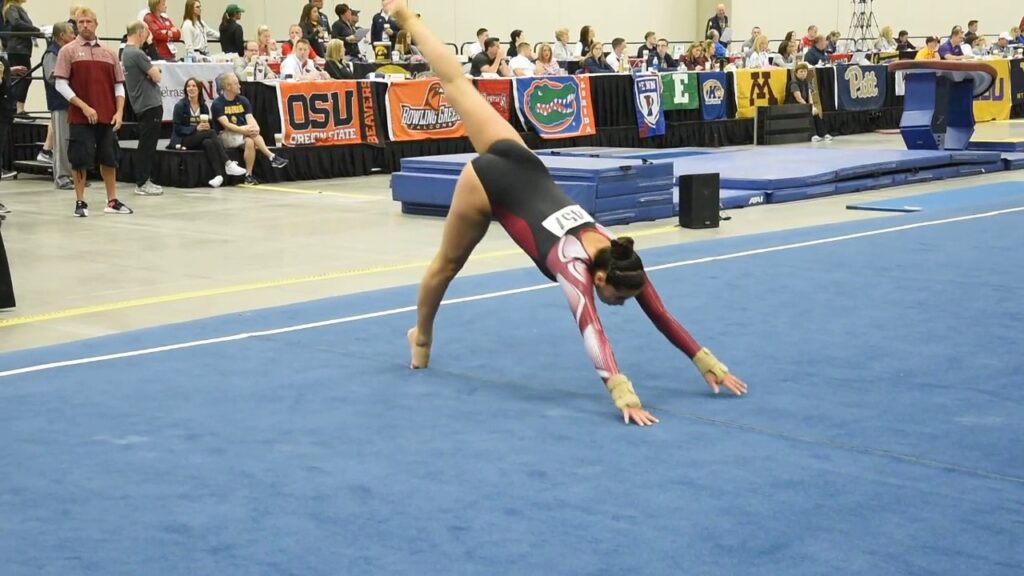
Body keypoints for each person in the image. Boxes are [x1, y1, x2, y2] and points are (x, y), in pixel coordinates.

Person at [386, 0, 747, 427]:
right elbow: (591, 329)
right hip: (487, 182)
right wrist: (622, 392)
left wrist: (705, 360)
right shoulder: (574, 265)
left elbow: (661, 313)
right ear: (598, 280)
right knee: (447, 265)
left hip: (519, 160)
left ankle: (406, 16)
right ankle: (422, 337)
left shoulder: (621, 256)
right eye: (616, 298)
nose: (621, 304)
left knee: (456, 82)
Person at [54, 7, 133, 217]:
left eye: (88, 21)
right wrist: (84, 106)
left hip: (107, 116)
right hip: (80, 117)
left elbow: (118, 86)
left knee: (109, 158)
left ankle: (112, 200)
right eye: (80, 22)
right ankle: (80, 202)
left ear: (96, 24)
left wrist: (119, 112)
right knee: (79, 158)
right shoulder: (68, 51)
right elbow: (60, 84)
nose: (84, 25)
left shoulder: (109, 53)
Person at [211, 72, 288, 185]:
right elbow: (226, 125)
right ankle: (271, 156)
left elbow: (250, 117)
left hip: (243, 134)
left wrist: (255, 127)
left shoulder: (243, 100)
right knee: (249, 134)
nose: (240, 86)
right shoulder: (218, 103)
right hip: (225, 135)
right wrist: (244, 130)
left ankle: (249, 175)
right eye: (236, 84)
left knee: (250, 141)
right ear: (228, 86)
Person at [169, 77, 247, 187]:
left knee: (208, 142)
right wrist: (196, 128)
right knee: (210, 133)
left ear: (199, 89)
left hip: (198, 138)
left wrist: (205, 126)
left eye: (194, 86)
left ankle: (218, 176)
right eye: (188, 86)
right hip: (182, 139)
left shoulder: (203, 106)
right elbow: (177, 128)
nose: (191, 88)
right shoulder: (180, 106)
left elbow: (207, 125)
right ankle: (228, 163)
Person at [121, 21, 164, 196]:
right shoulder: (137, 54)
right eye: (146, 33)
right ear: (139, 33)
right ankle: (142, 182)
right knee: (147, 145)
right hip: (149, 103)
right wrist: (155, 71)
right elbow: (157, 76)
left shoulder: (125, 53)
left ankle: (144, 179)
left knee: (147, 143)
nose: (147, 36)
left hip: (142, 103)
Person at [42, 21, 76, 190]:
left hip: (71, 102)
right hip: (59, 103)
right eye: (71, 33)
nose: (74, 36)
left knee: (71, 141)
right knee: (62, 142)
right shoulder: (51, 53)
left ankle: (72, 175)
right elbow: (52, 76)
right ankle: (61, 177)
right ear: (62, 36)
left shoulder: (66, 52)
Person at [789, 62, 830, 142]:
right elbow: (799, 99)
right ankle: (813, 135)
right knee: (809, 112)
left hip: (805, 105)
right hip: (794, 105)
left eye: (805, 71)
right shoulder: (793, 83)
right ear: (796, 73)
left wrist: (813, 107)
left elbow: (810, 97)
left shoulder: (807, 83)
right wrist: (809, 108)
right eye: (801, 71)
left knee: (816, 113)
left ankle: (823, 134)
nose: (803, 73)